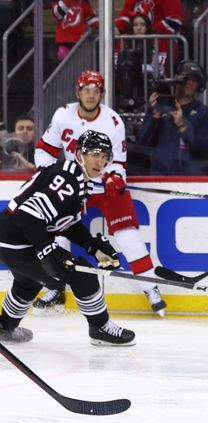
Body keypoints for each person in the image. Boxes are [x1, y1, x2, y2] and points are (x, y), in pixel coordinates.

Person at [33, 70, 167, 316]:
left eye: (96, 91)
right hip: (73, 185)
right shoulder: (63, 115)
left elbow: (118, 163)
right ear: (78, 92)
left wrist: (115, 177)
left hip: (103, 186)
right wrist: (51, 172)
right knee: (56, 230)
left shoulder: (113, 121)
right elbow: (44, 151)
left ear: (102, 94)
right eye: (86, 90)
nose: (91, 95)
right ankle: (56, 286)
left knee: (128, 235)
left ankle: (150, 287)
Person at [0, 130, 135, 346]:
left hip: (11, 238)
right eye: (95, 154)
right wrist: (47, 251)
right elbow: (28, 215)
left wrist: (92, 246)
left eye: (104, 157)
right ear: (80, 153)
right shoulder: (69, 178)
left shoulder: (77, 178)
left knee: (28, 281)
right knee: (82, 274)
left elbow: (65, 223)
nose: (99, 162)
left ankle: (5, 328)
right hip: (17, 239)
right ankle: (100, 327)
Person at [136, 60, 208, 176]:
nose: (190, 83)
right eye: (187, 79)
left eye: (195, 80)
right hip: (160, 179)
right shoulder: (160, 107)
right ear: (177, 80)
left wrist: (183, 126)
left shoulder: (204, 112)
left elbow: (204, 147)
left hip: (192, 181)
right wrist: (154, 117)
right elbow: (143, 143)